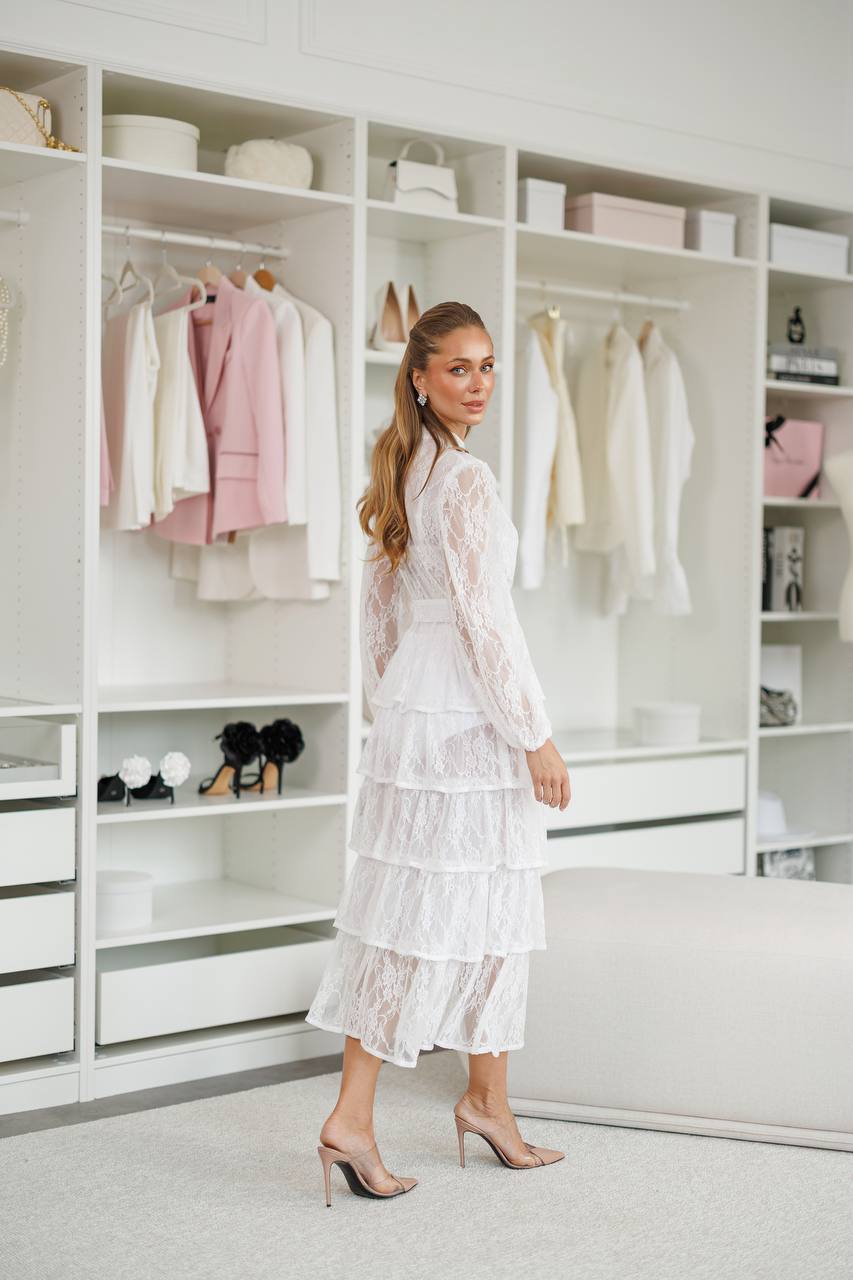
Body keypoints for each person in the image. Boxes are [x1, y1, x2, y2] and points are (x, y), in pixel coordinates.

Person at [306, 301, 571, 1206]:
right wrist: (531, 732)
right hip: (467, 712)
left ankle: (480, 1102)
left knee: (425, 909)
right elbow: (482, 616)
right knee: (456, 909)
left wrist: (398, 705)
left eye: (489, 367)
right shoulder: (463, 480)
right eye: (459, 368)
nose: (479, 384)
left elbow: (381, 618)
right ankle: (386, 1113)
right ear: (418, 376)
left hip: (422, 712)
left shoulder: (404, 469)